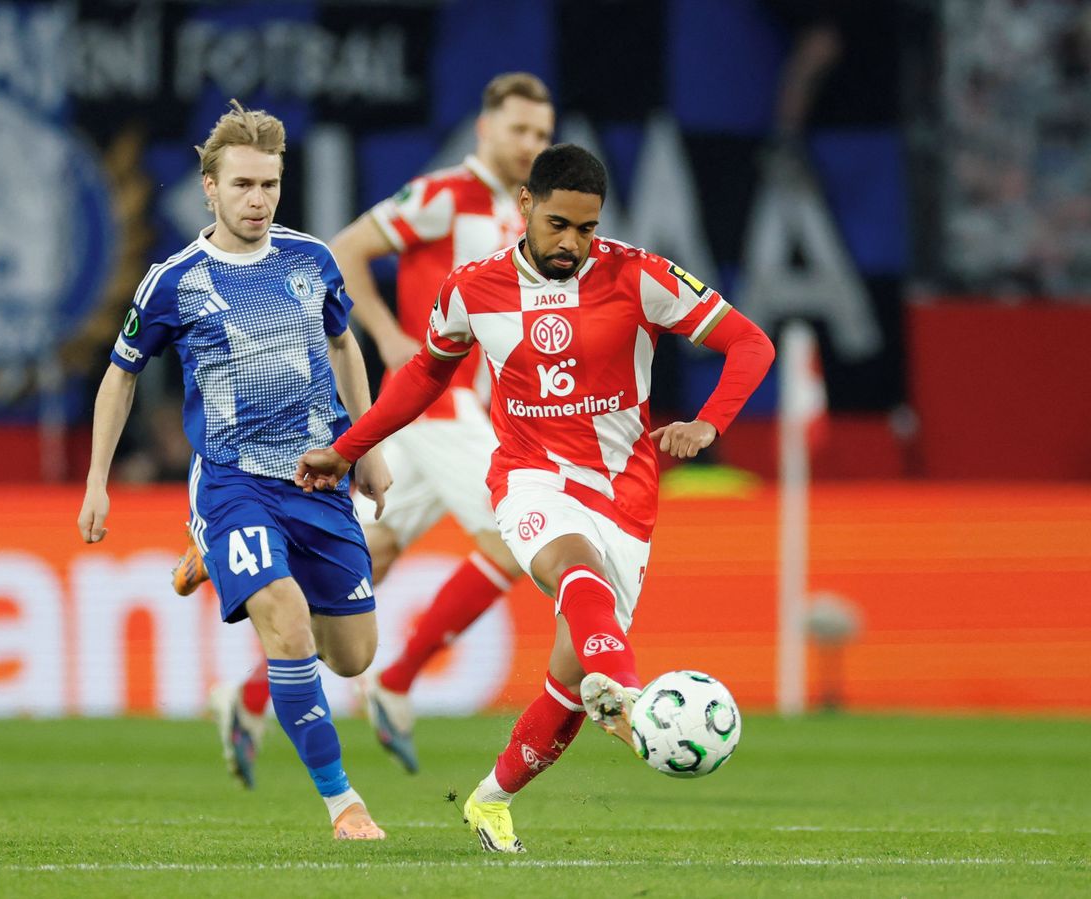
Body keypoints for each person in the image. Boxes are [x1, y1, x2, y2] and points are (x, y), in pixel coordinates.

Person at [295, 144, 775, 852]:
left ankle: (491, 800)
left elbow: (751, 344)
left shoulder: (640, 275)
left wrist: (710, 422)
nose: (572, 243)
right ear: (525, 205)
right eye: (558, 224)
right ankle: (630, 693)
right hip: (528, 477)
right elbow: (424, 376)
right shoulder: (473, 288)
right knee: (575, 569)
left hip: (625, 496)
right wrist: (348, 447)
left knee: (567, 685)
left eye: (587, 228)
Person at [176, 73, 555, 778]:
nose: (531, 144)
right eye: (518, 130)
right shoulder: (444, 194)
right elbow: (347, 248)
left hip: (452, 414)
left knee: (367, 558)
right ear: (485, 129)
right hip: (438, 404)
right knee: (515, 540)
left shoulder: (517, 210)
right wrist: (386, 334)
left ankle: (247, 695)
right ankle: (398, 681)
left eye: (541, 133)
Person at [77, 100, 391, 841]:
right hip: (233, 481)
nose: (258, 199)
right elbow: (120, 375)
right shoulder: (173, 281)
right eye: (243, 185)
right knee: (283, 617)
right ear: (210, 188)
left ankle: (213, 559)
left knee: (353, 657)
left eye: (269, 185)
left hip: (318, 479)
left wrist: (369, 446)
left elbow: (343, 345)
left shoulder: (311, 260)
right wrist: (96, 480)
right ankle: (343, 803)